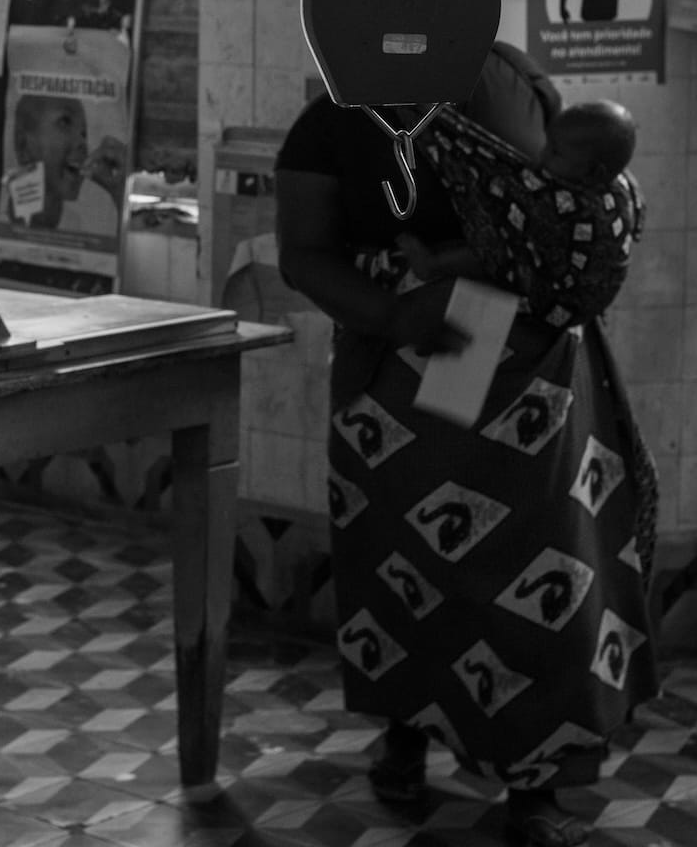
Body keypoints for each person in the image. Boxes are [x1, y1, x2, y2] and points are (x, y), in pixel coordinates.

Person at [276, 43, 657, 847]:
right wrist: (395, 315)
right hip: (399, 362)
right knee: (401, 561)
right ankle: (406, 734)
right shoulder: (332, 116)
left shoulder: (518, 81)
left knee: (540, 570)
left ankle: (535, 783)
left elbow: (578, 194)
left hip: (525, 365)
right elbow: (303, 252)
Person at [411, 98, 643, 329]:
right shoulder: (620, 182)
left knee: (497, 241)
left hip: (560, 303)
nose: (542, 156)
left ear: (594, 172)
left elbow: (503, 192)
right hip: (598, 286)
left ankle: (433, 265)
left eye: (555, 152)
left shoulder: (567, 207)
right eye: (548, 144)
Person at [2, 92, 125, 233]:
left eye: (83, 134)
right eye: (65, 122)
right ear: (23, 145)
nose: (82, 143)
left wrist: (120, 194)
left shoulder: (84, 228)